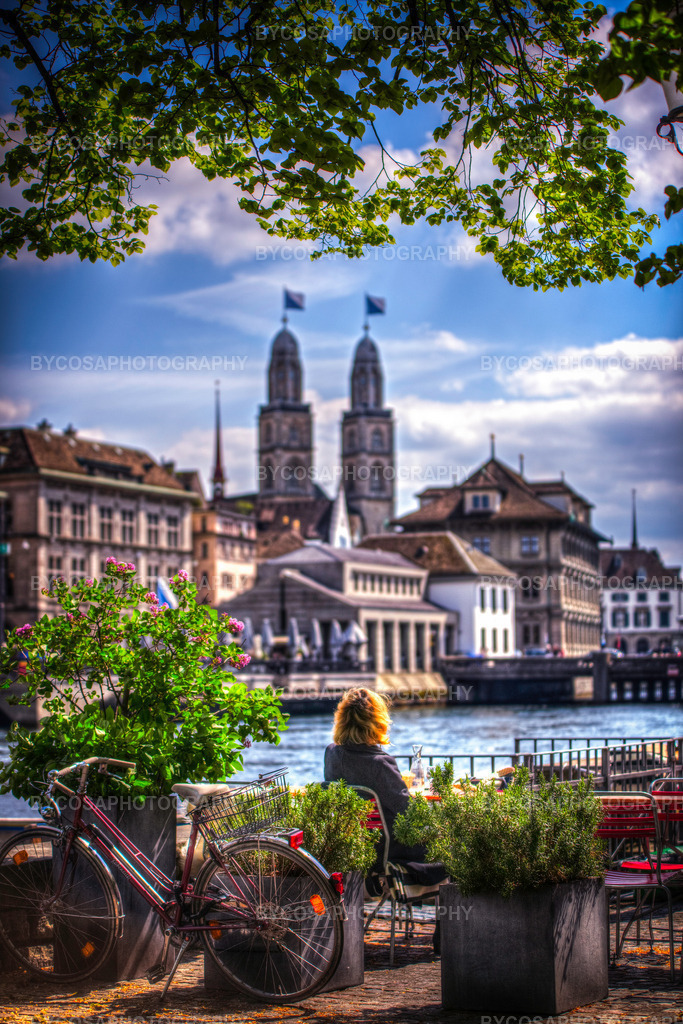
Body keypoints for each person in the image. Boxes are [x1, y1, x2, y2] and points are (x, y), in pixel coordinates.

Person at [324, 687, 447, 949]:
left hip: (358, 848)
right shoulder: (381, 763)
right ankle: (448, 934)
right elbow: (408, 814)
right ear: (377, 721)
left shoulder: (332, 754)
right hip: (390, 853)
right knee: (452, 845)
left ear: (342, 719)